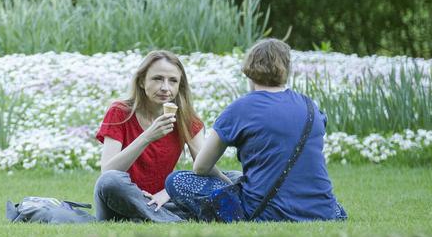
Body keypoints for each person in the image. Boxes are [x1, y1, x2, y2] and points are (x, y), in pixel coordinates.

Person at [165, 38, 347, 221]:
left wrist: (228, 183)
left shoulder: (240, 109)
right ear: (286, 69)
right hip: (325, 211)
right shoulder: (310, 106)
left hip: (266, 212)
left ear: (249, 68)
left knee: (178, 180)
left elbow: (201, 166)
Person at [94, 50, 239, 222]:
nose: (165, 87)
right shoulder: (120, 112)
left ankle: (148, 218)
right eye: (157, 79)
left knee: (236, 178)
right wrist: (147, 137)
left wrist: (167, 193)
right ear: (141, 81)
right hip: (122, 197)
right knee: (110, 182)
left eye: (173, 81)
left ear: (179, 86)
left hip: (161, 201)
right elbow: (108, 171)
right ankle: (176, 221)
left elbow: (203, 168)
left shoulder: (186, 119)